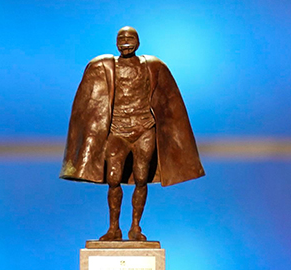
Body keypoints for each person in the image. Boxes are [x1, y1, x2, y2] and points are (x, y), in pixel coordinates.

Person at [60, 26, 203, 241]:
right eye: (121, 38)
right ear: (116, 42)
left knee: (141, 178)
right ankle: (113, 228)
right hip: (117, 130)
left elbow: (170, 101)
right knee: (113, 178)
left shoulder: (153, 66)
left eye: (130, 38)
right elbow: (86, 103)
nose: (126, 42)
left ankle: (136, 227)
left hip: (144, 128)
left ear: (138, 42)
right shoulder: (104, 66)